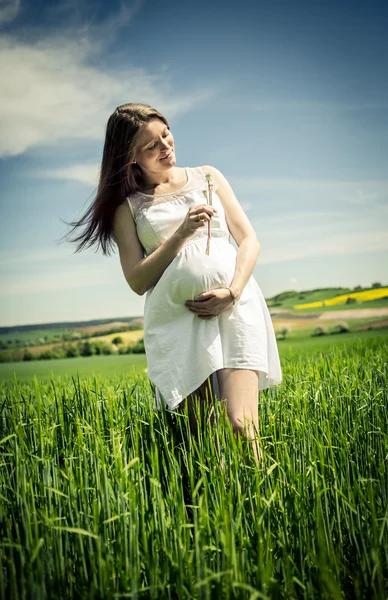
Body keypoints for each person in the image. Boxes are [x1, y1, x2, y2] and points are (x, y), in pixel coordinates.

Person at [64, 102, 282, 467]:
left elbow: (249, 240)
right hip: (180, 322)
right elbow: (136, 280)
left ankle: (266, 513)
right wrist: (182, 232)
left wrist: (233, 292)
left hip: (235, 308)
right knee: (199, 437)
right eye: (152, 145)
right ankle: (211, 517)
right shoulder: (128, 208)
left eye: (165, 133)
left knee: (242, 426)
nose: (166, 145)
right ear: (130, 158)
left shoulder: (208, 176)